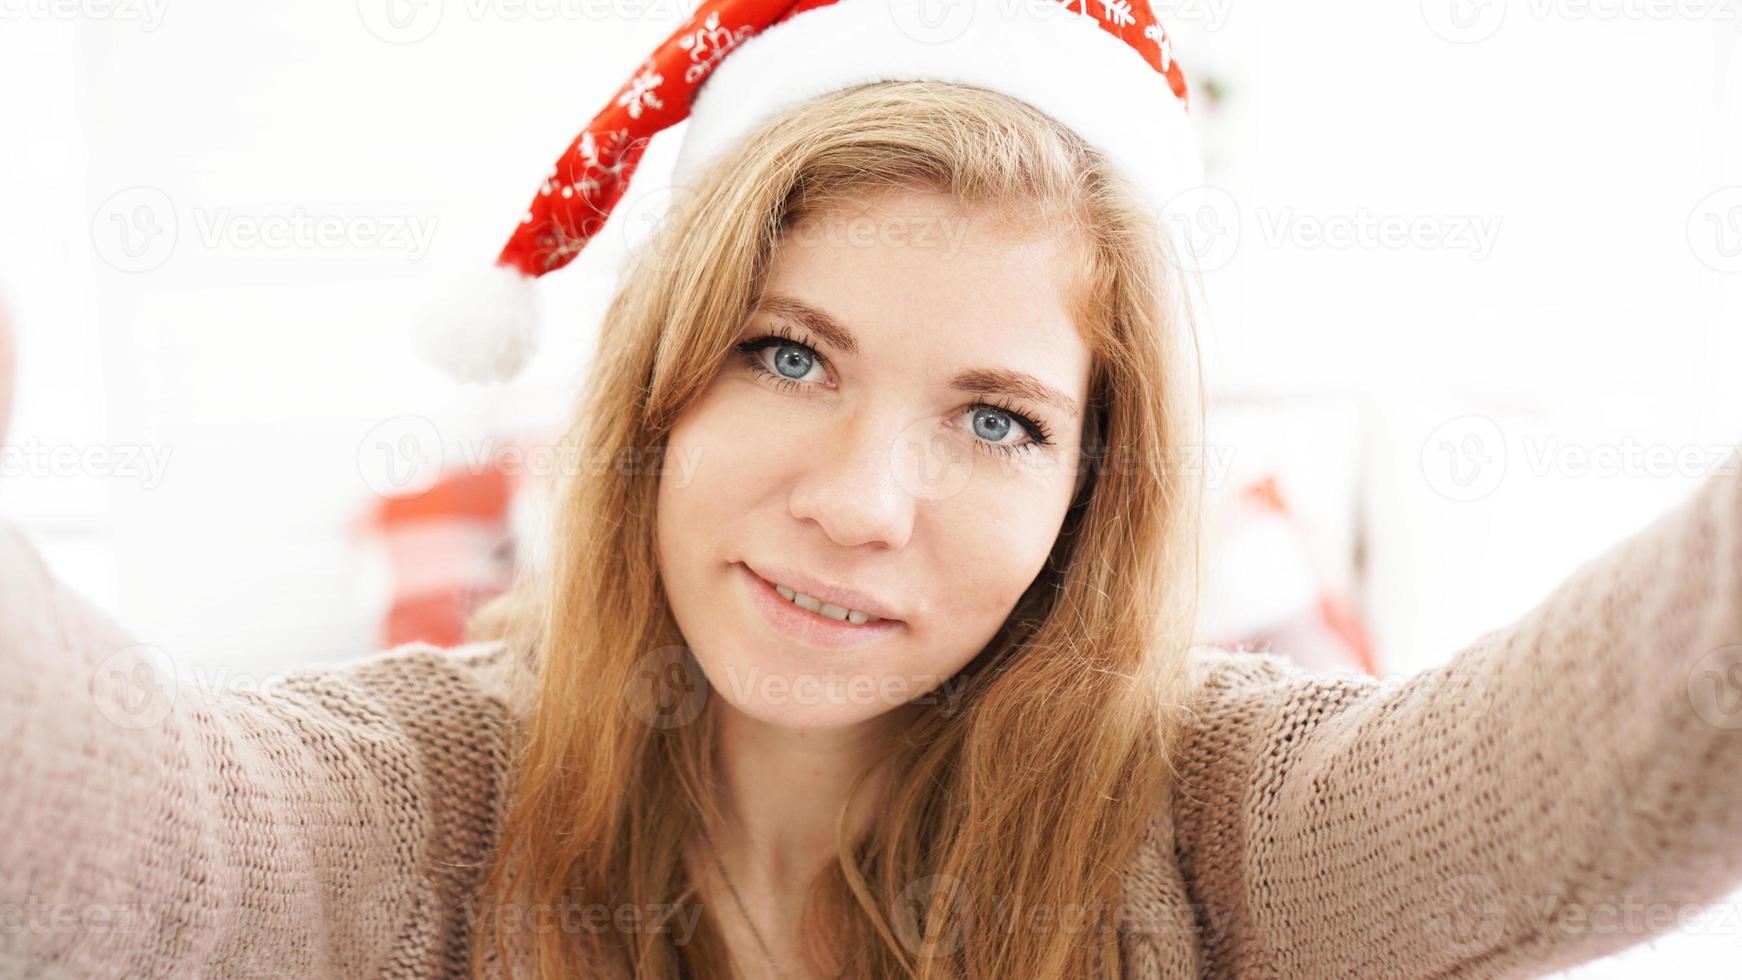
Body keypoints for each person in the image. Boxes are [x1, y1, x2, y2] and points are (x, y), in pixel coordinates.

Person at [4, 0, 1742, 977]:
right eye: (787, 355)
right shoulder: (425, 800)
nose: (861, 502)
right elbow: (134, 832)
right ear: (658, 392)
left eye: (997, 419)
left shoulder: (1210, 817)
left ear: (1093, 491)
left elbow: (1602, 750)